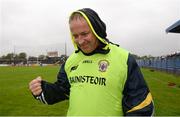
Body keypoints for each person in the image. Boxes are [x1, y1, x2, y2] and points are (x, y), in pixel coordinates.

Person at [29, 8, 154, 116]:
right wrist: (42, 90)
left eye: (84, 34)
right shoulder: (71, 61)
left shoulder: (124, 58)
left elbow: (140, 104)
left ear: (97, 30)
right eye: (75, 36)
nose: (80, 41)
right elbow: (63, 90)